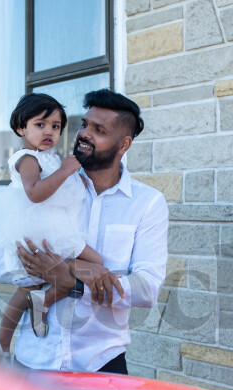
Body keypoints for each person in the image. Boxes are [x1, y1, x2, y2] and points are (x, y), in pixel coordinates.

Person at [13, 89, 168, 375]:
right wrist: (74, 267)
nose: (84, 134)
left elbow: (147, 288)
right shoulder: (49, 184)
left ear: (124, 144)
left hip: (102, 363)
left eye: (99, 130)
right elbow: (13, 259)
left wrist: (74, 284)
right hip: (34, 359)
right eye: (84, 125)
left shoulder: (148, 204)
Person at [0, 93, 106, 361]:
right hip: (45, 233)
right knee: (95, 262)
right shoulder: (28, 159)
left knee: (29, 288)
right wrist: (65, 171)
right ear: (21, 128)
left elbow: (61, 190)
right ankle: (46, 300)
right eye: (40, 125)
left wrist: (71, 175)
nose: (49, 132)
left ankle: (1, 342)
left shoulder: (50, 158)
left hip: (52, 230)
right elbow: (35, 192)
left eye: (55, 126)